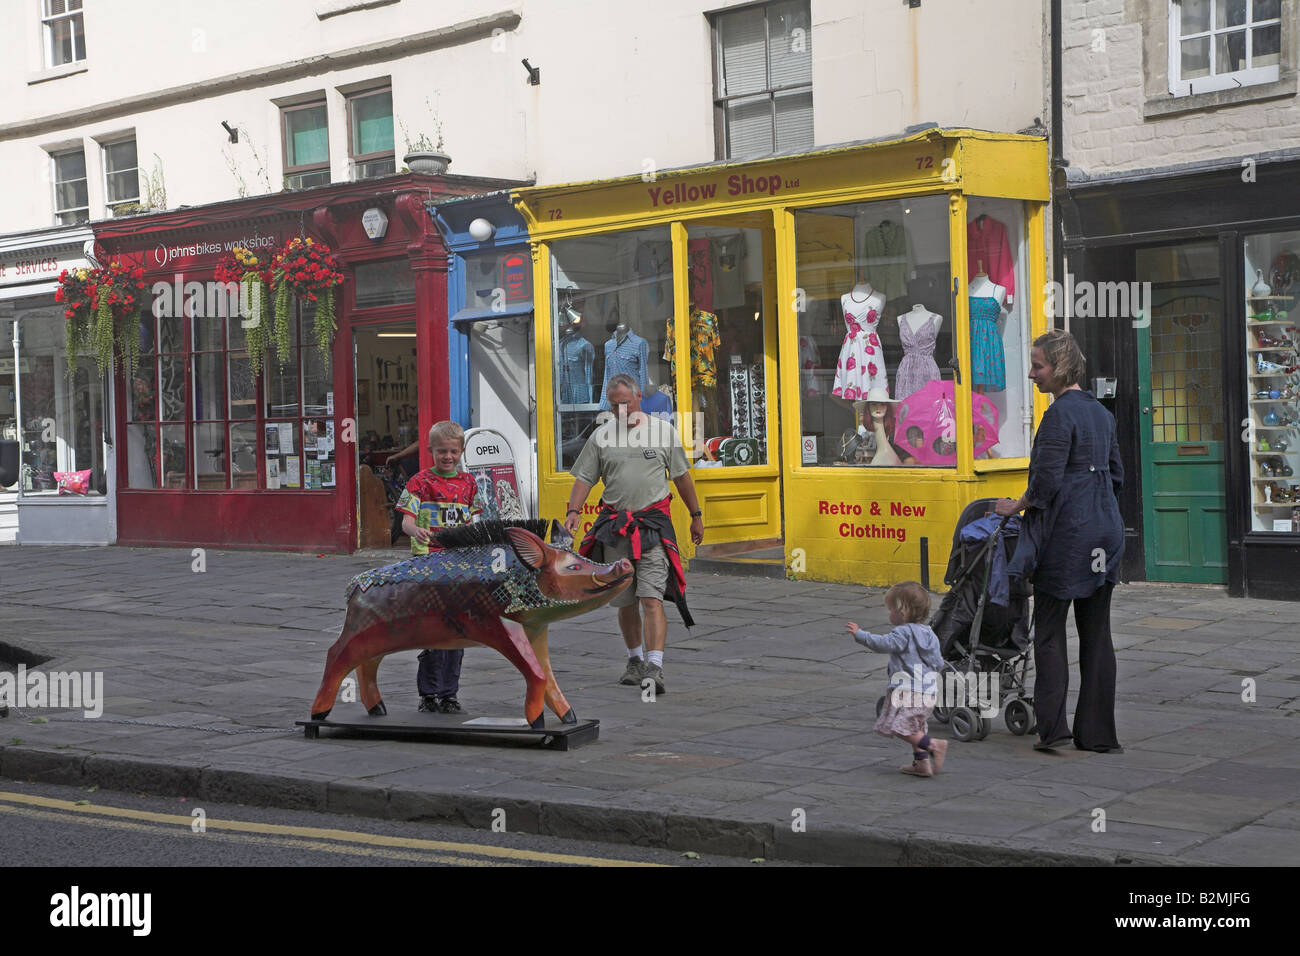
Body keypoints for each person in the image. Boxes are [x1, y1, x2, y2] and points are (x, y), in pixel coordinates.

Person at [996, 329, 1125, 753]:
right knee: (1097, 633)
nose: (1033, 374)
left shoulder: (1057, 417)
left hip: (1066, 536)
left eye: (1038, 366)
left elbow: (1046, 484)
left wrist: (1015, 506)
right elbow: (1116, 477)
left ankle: (1051, 730)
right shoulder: (1102, 415)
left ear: (1059, 368)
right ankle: (1099, 735)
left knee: (1050, 632)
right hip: (1105, 532)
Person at [564, 373, 705, 695]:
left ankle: (655, 667)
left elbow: (682, 478)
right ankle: (634, 660)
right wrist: (573, 511)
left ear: (640, 398)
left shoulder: (662, 432)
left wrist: (696, 516)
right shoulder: (601, 437)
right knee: (624, 600)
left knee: (650, 597)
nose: (621, 411)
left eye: (626, 403)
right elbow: (584, 478)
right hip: (615, 529)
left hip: (653, 526)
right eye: (614, 406)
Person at [394, 421, 486, 714]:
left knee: (456, 630)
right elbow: (406, 519)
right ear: (430, 450)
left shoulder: (469, 484)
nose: (448, 457)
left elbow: (473, 521)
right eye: (442, 451)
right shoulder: (419, 482)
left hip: (458, 562)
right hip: (428, 563)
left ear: (461, 451)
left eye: (453, 451)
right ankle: (429, 693)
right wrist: (413, 531)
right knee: (434, 629)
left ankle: (450, 693)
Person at [846, 581, 948, 777]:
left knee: (900, 727)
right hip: (928, 691)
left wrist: (861, 635)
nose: (889, 613)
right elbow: (938, 661)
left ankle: (934, 745)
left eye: (890, 609)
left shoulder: (902, 633)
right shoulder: (930, 633)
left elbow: (882, 644)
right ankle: (922, 763)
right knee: (916, 727)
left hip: (908, 691)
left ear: (901, 612)